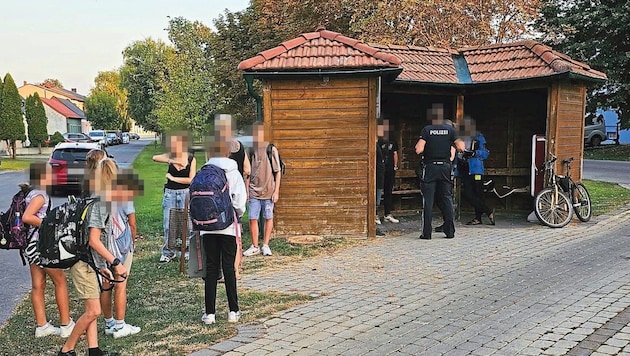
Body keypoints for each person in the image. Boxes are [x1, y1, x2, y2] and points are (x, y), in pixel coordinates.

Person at [59, 158, 125, 356]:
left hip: (90, 263)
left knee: (92, 307)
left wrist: (101, 264)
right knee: (94, 311)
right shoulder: (101, 204)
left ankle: (93, 350)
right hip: (83, 263)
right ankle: (66, 350)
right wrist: (115, 263)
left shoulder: (94, 200)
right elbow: (94, 240)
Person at [200, 116, 247, 324]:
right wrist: (238, 214)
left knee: (211, 268)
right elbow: (239, 201)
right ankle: (233, 311)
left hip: (207, 227)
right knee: (229, 267)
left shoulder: (204, 172)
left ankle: (209, 313)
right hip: (228, 226)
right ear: (228, 151)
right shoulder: (233, 172)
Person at [22, 163, 74, 338]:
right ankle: (66, 324)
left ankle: (42, 325)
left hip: (30, 245)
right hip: (41, 245)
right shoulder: (40, 196)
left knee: (38, 285)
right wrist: (50, 225)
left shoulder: (30, 194)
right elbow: (27, 217)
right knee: (60, 281)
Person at [99, 169, 143, 338]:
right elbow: (132, 223)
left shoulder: (96, 195)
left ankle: (109, 322)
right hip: (120, 245)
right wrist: (132, 242)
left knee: (105, 284)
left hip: (102, 245)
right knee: (121, 283)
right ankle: (120, 325)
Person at [415, 116, 465, 239]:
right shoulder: (450, 130)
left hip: (430, 167)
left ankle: (426, 233)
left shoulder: (427, 130)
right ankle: (450, 232)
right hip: (445, 168)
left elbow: (418, 149)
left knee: (428, 201)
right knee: (447, 199)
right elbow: (461, 147)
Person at [152, 132, 197, 263]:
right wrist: (172, 160)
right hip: (170, 194)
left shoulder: (191, 158)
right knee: (168, 224)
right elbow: (155, 157)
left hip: (185, 194)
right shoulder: (171, 156)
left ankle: (187, 250)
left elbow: (191, 180)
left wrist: (172, 178)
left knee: (187, 224)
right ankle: (168, 252)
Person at [243, 123, 281, 257]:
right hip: (254, 191)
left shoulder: (271, 150)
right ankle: (254, 246)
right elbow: (247, 173)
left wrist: (276, 191)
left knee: (268, 217)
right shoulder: (250, 151)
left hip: (269, 191)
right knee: (253, 218)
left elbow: (278, 172)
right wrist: (246, 191)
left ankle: (265, 244)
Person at [459, 132, 495, 225]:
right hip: (465, 169)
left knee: (479, 194)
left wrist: (474, 153)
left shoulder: (478, 137)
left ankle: (478, 218)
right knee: (468, 194)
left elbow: (485, 153)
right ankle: (488, 211)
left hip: (476, 169)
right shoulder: (460, 137)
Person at [378, 119, 400, 224]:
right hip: (380, 169)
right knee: (377, 191)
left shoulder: (392, 139)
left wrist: (395, 166)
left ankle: (387, 214)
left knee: (388, 192)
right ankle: (375, 214)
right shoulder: (378, 140)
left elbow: (395, 153)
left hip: (390, 169)